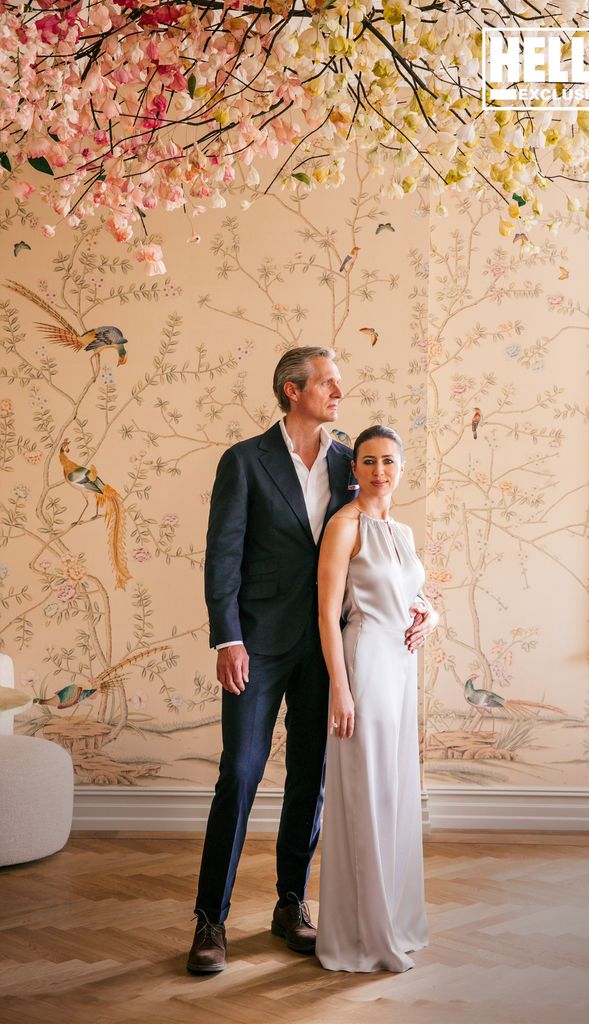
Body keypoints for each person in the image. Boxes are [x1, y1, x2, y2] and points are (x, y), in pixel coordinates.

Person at [187, 346, 354, 973]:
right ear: (292, 390)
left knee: (309, 775)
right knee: (242, 771)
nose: (338, 392)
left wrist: (418, 604)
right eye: (327, 383)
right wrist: (227, 638)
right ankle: (210, 920)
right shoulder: (244, 461)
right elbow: (222, 555)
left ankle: (290, 904)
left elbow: (375, 537)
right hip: (255, 644)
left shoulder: (346, 463)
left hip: (325, 645)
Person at [315, 424, 434, 973]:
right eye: (368, 461)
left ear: (401, 468)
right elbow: (327, 612)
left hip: (402, 668)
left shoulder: (403, 532)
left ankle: (395, 920)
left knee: (394, 792)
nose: (379, 471)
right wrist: (340, 688)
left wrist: (432, 614)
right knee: (366, 790)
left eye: (388, 461)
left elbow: (414, 596)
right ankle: (362, 932)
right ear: (354, 469)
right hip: (364, 664)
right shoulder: (344, 526)